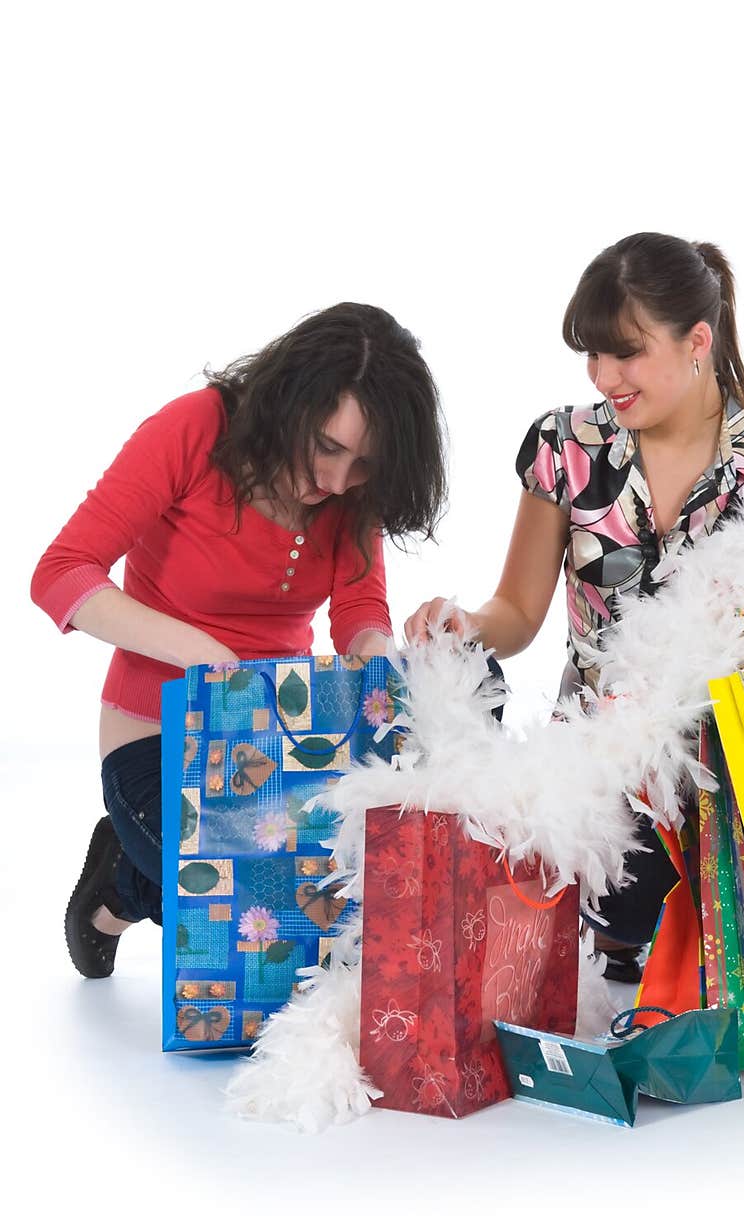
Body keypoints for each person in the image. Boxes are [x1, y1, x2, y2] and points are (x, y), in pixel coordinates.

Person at [405, 232, 744, 979]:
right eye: (592, 356)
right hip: (601, 765)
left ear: (697, 341)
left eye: (625, 353)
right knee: (615, 915)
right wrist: (465, 624)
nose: (605, 376)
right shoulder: (568, 445)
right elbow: (518, 611)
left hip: (716, 759)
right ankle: (632, 929)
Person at [33, 303, 447, 978]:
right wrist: (204, 656)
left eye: (364, 464)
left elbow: (359, 611)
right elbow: (59, 573)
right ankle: (121, 884)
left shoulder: (348, 494)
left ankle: (132, 871)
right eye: (327, 448)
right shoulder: (194, 429)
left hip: (280, 740)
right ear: (289, 403)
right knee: (242, 909)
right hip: (156, 736)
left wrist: (389, 665)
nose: (338, 482)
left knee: (317, 918)